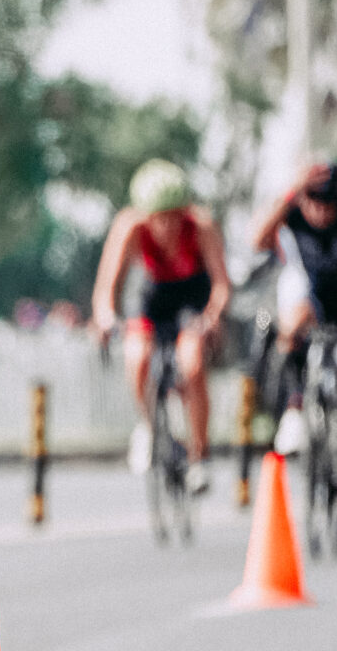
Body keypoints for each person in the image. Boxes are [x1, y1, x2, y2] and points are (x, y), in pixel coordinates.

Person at [90, 159, 231, 494]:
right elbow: (107, 286)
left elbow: (222, 285)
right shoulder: (129, 227)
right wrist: (107, 317)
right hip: (152, 296)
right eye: (159, 218)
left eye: (174, 216)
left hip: (191, 296)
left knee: (192, 364)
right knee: (137, 357)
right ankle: (150, 425)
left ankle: (199, 455)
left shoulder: (201, 226)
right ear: (146, 215)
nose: (167, 226)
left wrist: (211, 317)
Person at [249, 162, 337, 472]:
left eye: (329, 203)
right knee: (293, 321)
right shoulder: (291, 215)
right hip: (307, 292)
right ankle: (295, 406)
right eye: (313, 201)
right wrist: (290, 193)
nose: (321, 210)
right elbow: (256, 238)